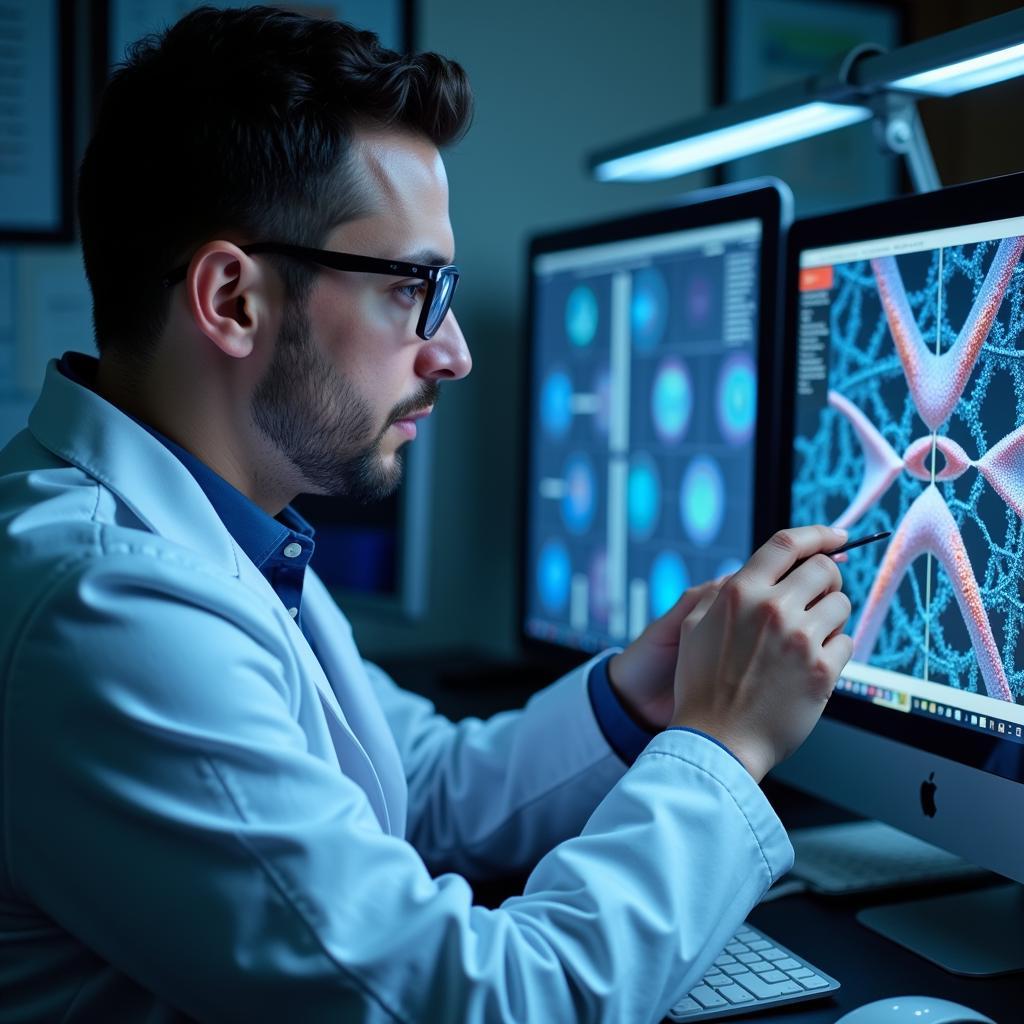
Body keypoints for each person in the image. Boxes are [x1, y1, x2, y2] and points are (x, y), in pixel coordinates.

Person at [0, 6, 853, 1022]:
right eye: (415, 288)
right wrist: (723, 751)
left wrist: (639, 697)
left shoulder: (215, 526)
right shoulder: (110, 610)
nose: (453, 352)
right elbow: (479, 1003)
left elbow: (422, 785)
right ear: (232, 300)